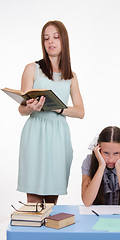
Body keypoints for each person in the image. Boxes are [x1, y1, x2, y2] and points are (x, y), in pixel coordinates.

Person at [17, 20, 84, 204]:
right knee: (34, 199)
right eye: (46, 38)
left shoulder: (71, 76)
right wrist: (29, 107)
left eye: (55, 37)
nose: (50, 42)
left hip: (58, 135)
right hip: (35, 133)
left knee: (51, 202)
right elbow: (21, 108)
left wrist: (58, 108)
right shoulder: (32, 69)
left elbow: (80, 111)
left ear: (64, 41)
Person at [81, 126, 120, 207]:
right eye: (106, 153)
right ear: (98, 147)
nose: (110, 160)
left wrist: (119, 167)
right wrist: (101, 166)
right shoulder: (89, 161)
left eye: (116, 153)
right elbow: (87, 201)